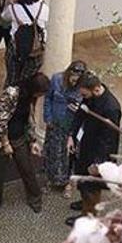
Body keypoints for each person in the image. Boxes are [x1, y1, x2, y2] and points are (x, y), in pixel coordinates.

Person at [0, 72, 50, 217]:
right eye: (40, 93)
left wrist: (33, 140)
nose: (40, 96)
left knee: (27, 169)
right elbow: (0, 120)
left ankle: (35, 199)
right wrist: (5, 143)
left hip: (20, 137)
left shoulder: (30, 97)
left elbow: (30, 119)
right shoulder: (12, 93)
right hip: (2, 140)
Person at [68, 71, 122, 226]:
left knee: (92, 187)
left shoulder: (111, 108)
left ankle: (88, 217)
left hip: (98, 154)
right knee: (84, 181)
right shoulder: (90, 97)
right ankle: (84, 202)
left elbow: (109, 140)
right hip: (86, 144)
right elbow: (80, 113)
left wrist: (98, 163)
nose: (83, 97)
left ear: (96, 90)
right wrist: (71, 135)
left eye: (85, 94)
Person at [43, 60, 86, 191]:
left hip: (70, 128)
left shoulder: (82, 88)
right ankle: (51, 179)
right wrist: (48, 117)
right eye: (73, 78)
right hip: (54, 123)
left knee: (68, 155)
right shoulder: (56, 79)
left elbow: (83, 112)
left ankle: (67, 182)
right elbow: (48, 98)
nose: (74, 82)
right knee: (52, 153)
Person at [2, 0, 48, 87]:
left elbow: (4, 16)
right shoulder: (44, 8)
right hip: (35, 50)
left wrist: (11, 1)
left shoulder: (13, 8)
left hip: (16, 49)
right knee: (28, 81)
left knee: (12, 79)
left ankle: (10, 98)